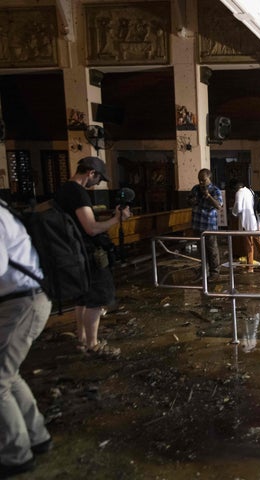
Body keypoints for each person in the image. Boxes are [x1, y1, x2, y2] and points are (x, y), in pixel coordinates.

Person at [55, 156, 131, 357]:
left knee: (82, 297)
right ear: (91, 173)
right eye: (98, 179)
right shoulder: (78, 193)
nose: (97, 184)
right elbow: (91, 228)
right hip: (88, 253)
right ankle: (93, 344)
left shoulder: (63, 190)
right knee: (97, 299)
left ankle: (81, 340)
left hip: (73, 251)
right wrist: (116, 219)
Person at [0, 201, 54, 478]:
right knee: (8, 375)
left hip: (21, 303)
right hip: (24, 301)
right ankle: (37, 437)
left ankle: (15, 455)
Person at [188, 168, 223, 279]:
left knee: (212, 250)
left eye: (203, 180)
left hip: (209, 225)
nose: (201, 182)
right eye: (199, 180)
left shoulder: (215, 190)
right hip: (197, 224)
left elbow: (218, 206)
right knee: (201, 250)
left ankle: (215, 272)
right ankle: (204, 270)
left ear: (209, 178)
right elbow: (188, 201)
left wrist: (208, 196)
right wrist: (192, 200)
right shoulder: (195, 189)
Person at [231, 181, 260, 272]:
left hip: (246, 221)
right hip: (254, 219)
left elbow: (238, 207)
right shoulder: (250, 191)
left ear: (236, 187)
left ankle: (250, 267)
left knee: (248, 244)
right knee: (258, 242)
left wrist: (233, 212)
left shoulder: (239, 192)